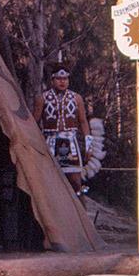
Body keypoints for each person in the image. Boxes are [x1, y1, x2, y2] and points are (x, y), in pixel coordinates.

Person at [34, 65, 92, 205]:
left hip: (69, 143)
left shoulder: (76, 98)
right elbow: (34, 122)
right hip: (50, 142)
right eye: (59, 79)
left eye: (65, 79)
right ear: (52, 80)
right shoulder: (43, 98)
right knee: (49, 181)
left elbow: (83, 122)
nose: (62, 82)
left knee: (75, 182)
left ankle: (82, 220)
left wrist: (89, 145)